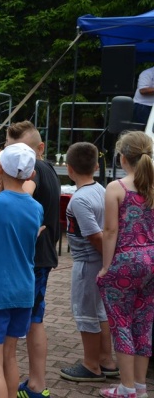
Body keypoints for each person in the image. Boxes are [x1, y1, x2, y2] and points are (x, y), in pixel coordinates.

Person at [0, 143, 43, 398]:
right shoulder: (37, 208)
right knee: (10, 356)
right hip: (24, 289)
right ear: (32, 174)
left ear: (0, 168)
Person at [4, 120, 59, 398]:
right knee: (34, 320)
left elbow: (18, 201)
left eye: (22, 151)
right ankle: (35, 383)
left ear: (39, 149)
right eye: (10, 152)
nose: (17, 160)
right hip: (40, 257)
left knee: (21, 323)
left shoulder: (33, 172)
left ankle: (22, 385)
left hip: (32, 259)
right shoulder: (48, 168)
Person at [97, 131, 154, 398]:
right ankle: (140, 387)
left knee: (121, 323)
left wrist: (105, 267)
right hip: (152, 260)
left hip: (125, 262)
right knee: (144, 324)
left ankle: (127, 387)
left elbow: (110, 231)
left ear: (122, 158)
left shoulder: (116, 188)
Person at [59, 142, 118, 383]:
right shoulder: (101, 190)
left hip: (88, 263)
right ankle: (106, 360)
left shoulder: (79, 200)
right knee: (100, 312)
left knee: (86, 314)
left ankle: (91, 364)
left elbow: (94, 236)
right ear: (96, 167)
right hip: (100, 260)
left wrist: (108, 260)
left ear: (69, 168)